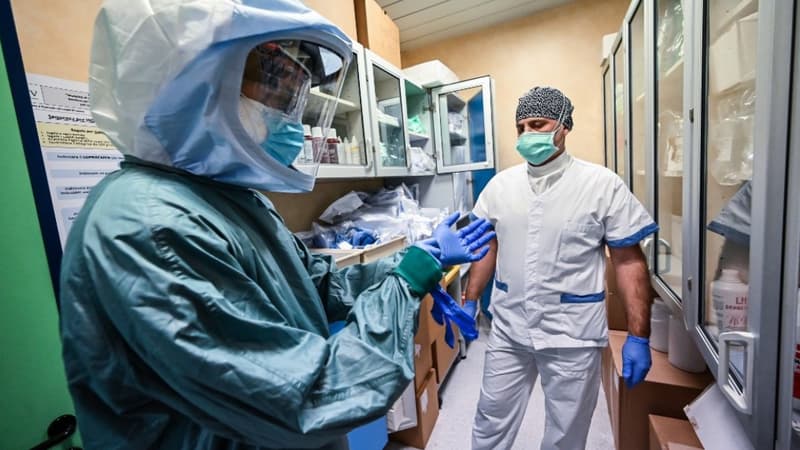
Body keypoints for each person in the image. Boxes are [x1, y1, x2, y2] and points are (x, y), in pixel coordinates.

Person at [58, 1, 494, 449]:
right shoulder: (150, 225)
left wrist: (418, 261)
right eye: (277, 91)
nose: (291, 116)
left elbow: (315, 284)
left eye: (296, 98)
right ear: (193, 85)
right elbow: (313, 397)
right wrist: (401, 286)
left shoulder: (229, 199)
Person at [466, 86, 657, 450]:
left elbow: (629, 261)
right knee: (490, 416)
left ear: (564, 126)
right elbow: (485, 246)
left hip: (572, 334)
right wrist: (469, 299)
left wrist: (638, 335)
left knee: (566, 432)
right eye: (520, 127)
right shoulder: (500, 186)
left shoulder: (601, 185)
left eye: (537, 124)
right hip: (509, 326)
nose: (526, 135)